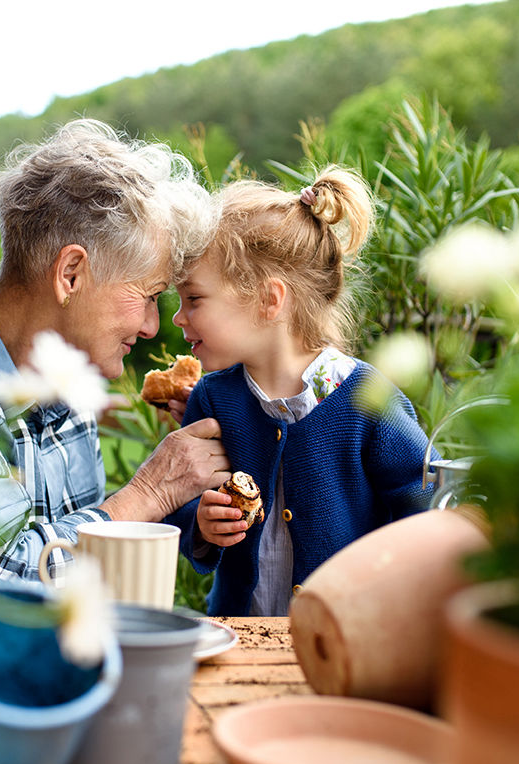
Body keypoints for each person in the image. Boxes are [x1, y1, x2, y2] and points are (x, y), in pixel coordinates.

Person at [0, 119, 230, 580]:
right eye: (147, 295)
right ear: (70, 275)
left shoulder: (66, 381)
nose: (151, 327)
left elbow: (78, 559)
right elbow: (4, 580)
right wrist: (151, 491)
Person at [165, 166, 433, 616]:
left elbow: (422, 503)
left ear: (270, 300)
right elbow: (179, 499)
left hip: (346, 640)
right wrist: (202, 524)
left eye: (193, 299)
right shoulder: (213, 399)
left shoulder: (365, 398)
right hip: (240, 637)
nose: (179, 317)